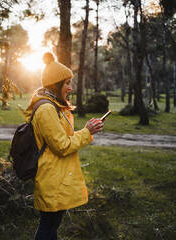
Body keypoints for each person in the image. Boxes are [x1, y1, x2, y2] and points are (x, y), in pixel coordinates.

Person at [24, 52, 103, 240]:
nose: (70, 88)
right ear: (56, 84)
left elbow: (62, 138)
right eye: (67, 83)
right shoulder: (46, 109)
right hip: (51, 178)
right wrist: (87, 132)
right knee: (48, 227)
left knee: (52, 226)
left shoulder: (54, 107)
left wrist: (86, 130)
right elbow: (62, 146)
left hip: (56, 177)